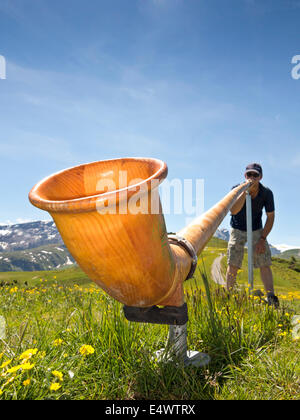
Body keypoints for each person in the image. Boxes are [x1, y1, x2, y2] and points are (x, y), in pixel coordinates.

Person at [226, 163, 279, 307]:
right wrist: (244, 191)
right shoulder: (236, 189)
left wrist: (262, 239)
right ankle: (228, 296)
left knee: (264, 261)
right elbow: (234, 210)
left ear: (260, 177)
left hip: (256, 229)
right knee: (233, 262)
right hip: (237, 227)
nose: (252, 178)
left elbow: (271, 216)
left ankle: (271, 298)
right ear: (245, 176)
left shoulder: (266, 193)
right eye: (249, 175)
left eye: (255, 175)